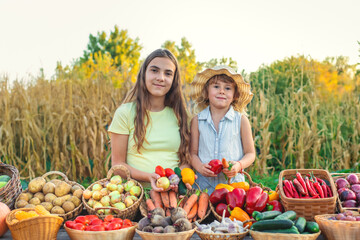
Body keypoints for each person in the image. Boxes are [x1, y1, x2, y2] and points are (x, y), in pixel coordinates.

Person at [108, 49, 191, 191]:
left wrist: (177, 179)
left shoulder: (181, 115)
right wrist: (149, 177)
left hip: (173, 195)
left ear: (174, 80)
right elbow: (117, 165)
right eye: (154, 70)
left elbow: (187, 161)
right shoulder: (125, 113)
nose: (161, 77)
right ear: (144, 74)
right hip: (134, 194)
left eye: (168, 73)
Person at [189, 65, 255, 194]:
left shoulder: (241, 120)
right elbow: (192, 153)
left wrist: (238, 165)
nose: (222, 91)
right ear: (206, 92)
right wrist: (200, 167)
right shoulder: (197, 121)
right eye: (216, 86)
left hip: (234, 188)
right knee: (204, 213)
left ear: (235, 95)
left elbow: (250, 154)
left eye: (228, 88)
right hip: (204, 187)